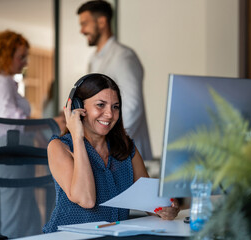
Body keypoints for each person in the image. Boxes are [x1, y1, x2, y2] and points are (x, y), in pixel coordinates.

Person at [42, 73, 182, 233]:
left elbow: (150, 202)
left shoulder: (125, 147)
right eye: (100, 105)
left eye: (115, 107)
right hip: (68, 237)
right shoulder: (60, 147)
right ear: (77, 106)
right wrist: (77, 137)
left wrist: (168, 207)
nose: (109, 114)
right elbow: (86, 199)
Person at [0, 30, 41, 238]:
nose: (24, 62)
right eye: (20, 57)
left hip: (16, 155)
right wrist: (49, 124)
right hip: (9, 154)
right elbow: (12, 121)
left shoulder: (7, 84)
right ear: (5, 55)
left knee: (27, 216)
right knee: (15, 218)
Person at [77, 0, 153, 161]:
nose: (82, 30)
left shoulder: (123, 57)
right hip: (104, 150)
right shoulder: (93, 60)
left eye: (85, 24)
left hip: (123, 151)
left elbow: (133, 106)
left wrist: (108, 140)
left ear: (102, 22)